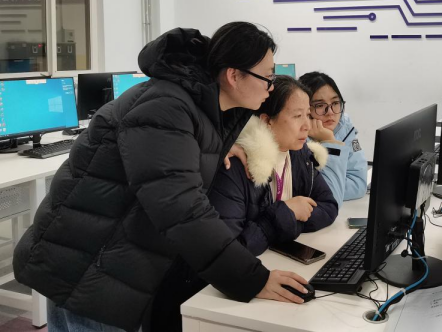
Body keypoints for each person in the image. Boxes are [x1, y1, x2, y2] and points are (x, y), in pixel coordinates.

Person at [13, 24, 309, 332]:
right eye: (268, 77)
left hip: (103, 260)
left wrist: (218, 147)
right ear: (234, 76)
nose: (271, 87)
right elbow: (182, 210)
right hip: (85, 267)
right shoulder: (167, 108)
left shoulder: (196, 106)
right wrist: (251, 278)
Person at [209, 76, 338, 256]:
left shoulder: (301, 155)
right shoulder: (236, 164)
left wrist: (288, 221)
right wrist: (287, 213)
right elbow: (230, 251)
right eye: (297, 116)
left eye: (308, 115)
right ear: (266, 121)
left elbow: (329, 206)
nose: (307, 126)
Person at [298, 72, 367, 208]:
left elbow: (358, 182)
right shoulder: (296, 138)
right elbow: (319, 194)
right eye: (319, 105)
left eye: (335, 103)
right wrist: (329, 142)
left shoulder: (346, 128)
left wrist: (328, 187)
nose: (330, 112)